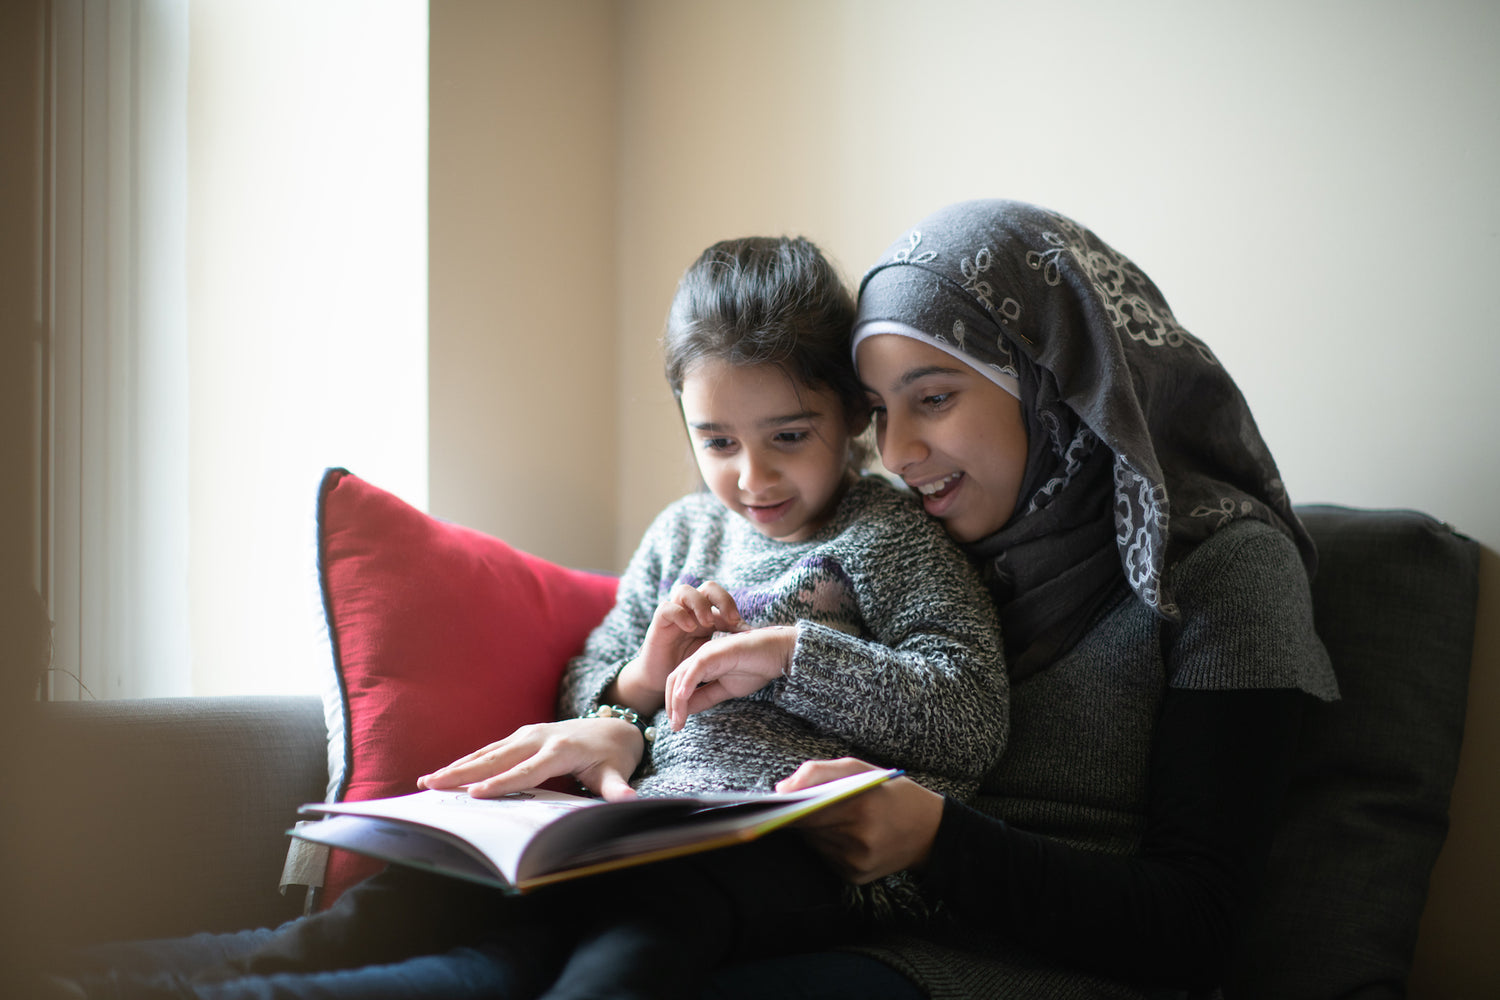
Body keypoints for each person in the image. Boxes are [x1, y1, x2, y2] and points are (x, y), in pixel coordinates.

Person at [45, 236, 1006, 1000]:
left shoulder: (892, 539)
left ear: (850, 414)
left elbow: (970, 712)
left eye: (788, 439)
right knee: (389, 909)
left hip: (786, 858)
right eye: (716, 442)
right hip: (627, 829)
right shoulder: (682, 536)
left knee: (635, 949)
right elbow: (586, 686)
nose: (750, 478)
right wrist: (638, 678)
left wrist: (793, 655)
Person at [696, 199, 1340, 1000]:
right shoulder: (918, 547)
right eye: (879, 415)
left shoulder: (1224, 571)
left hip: (1036, 972)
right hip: (855, 928)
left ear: (1052, 382)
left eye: (932, 399)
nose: (897, 453)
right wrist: (628, 723)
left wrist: (937, 840)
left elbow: (1199, 927)